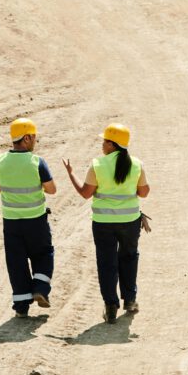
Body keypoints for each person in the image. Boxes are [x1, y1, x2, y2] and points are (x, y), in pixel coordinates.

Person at [63, 123, 150, 324]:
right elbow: (144, 192)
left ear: (112, 144)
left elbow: (85, 193)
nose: (102, 144)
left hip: (103, 223)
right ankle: (130, 300)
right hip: (130, 222)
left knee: (107, 262)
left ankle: (110, 306)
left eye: (104, 141)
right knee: (129, 257)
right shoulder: (136, 164)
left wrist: (71, 174)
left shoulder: (98, 165)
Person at [0, 118, 56, 318]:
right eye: (34, 137)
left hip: (11, 223)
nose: (35, 141)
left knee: (16, 262)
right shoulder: (37, 162)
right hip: (36, 220)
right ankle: (40, 288)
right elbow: (51, 189)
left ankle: (21, 307)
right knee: (44, 254)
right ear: (26, 138)